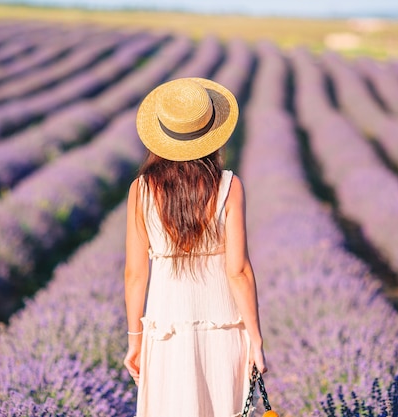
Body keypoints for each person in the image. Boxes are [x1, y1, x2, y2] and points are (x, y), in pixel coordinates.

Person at [124, 77, 266, 417]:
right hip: (224, 325)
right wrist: (256, 338)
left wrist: (134, 339)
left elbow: (134, 274)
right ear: (212, 134)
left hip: (165, 328)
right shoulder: (229, 187)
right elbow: (239, 270)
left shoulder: (141, 190)